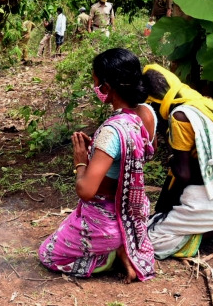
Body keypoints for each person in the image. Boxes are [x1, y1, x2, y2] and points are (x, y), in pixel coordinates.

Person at [39, 48, 156, 283]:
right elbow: (132, 157)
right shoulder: (147, 113)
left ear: (107, 87)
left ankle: (109, 254)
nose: (96, 89)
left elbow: (86, 190)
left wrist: (81, 160)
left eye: (96, 82)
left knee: (47, 253)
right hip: (134, 216)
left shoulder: (111, 132)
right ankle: (125, 248)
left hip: (107, 221)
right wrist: (101, 153)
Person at [143, 64, 213, 259]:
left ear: (153, 101)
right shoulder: (201, 102)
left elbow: (183, 173)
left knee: (150, 241)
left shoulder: (180, 116)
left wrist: (171, 159)